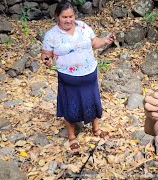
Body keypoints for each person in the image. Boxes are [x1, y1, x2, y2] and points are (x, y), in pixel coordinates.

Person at [41, 1, 115, 153]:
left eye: (71, 16)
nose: (68, 20)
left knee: (93, 102)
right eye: (64, 17)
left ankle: (96, 129)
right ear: (57, 16)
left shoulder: (83, 27)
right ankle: (72, 136)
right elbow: (46, 54)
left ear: (75, 15)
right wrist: (46, 60)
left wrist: (105, 40)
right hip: (68, 78)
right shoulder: (51, 35)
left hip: (89, 74)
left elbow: (94, 43)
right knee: (70, 106)